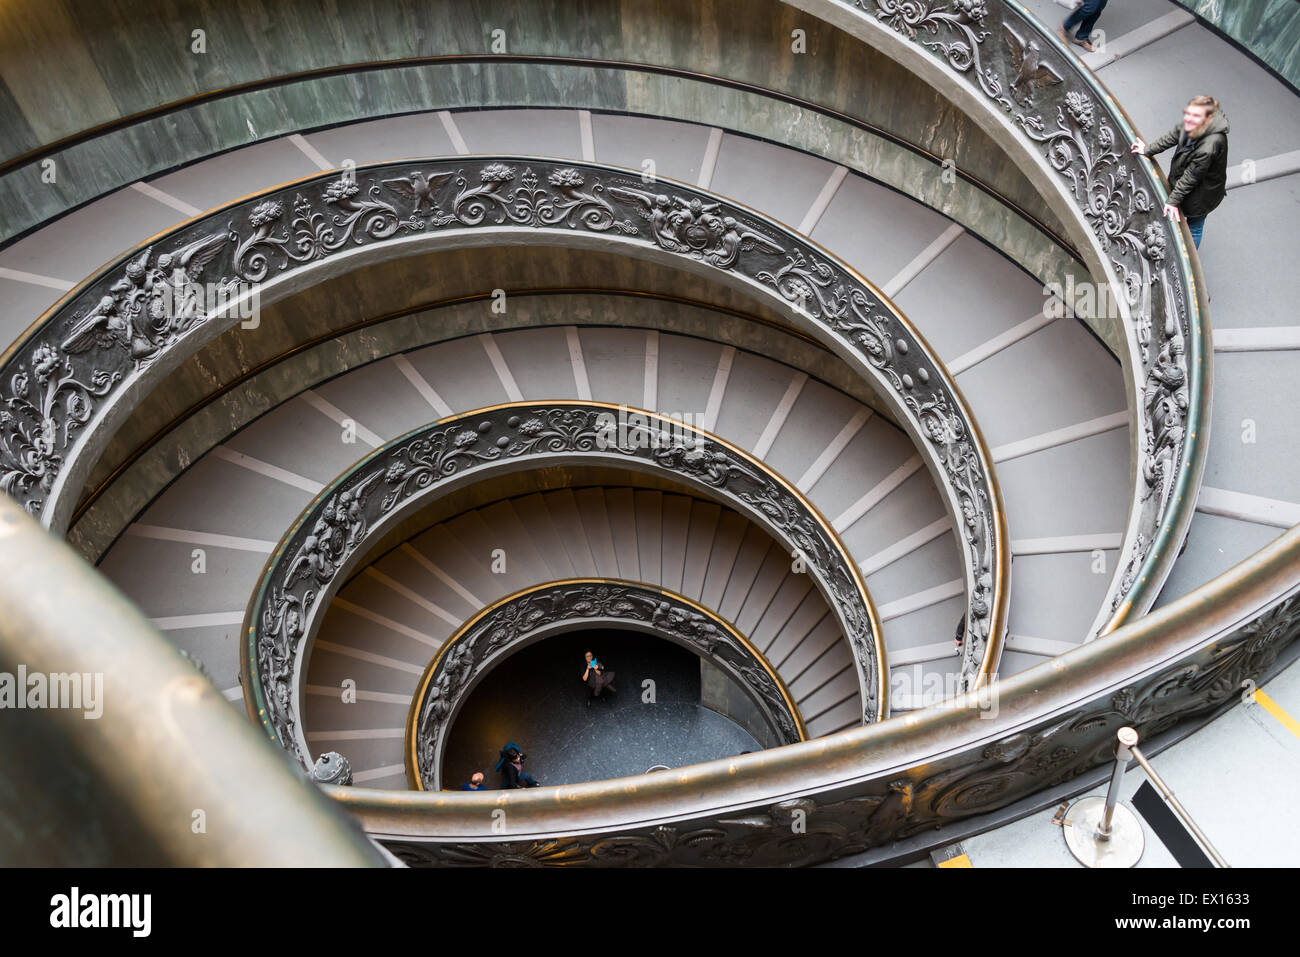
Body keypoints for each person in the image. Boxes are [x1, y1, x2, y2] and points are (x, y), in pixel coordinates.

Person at [1131, 96, 1229, 248]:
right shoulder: (1195, 122)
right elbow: (1173, 135)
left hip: (1203, 195)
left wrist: (1172, 200)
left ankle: (1189, 258)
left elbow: (1192, 176)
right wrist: (1147, 150)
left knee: (1194, 227)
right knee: (1184, 219)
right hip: (1194, 184)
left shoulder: (1209, 146)